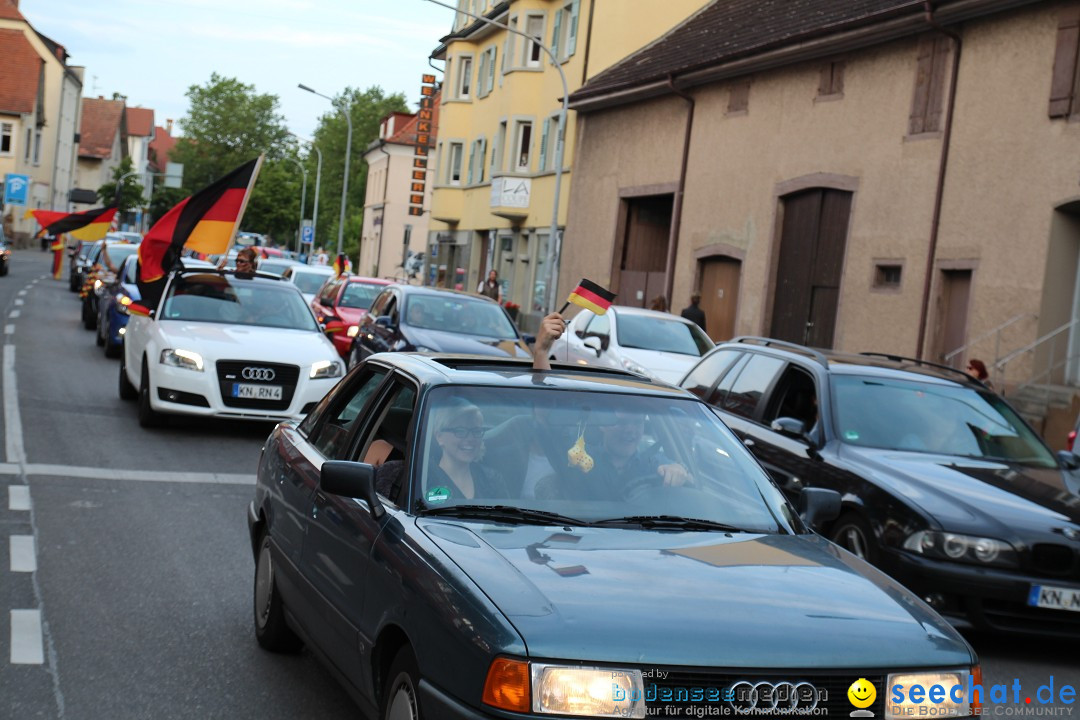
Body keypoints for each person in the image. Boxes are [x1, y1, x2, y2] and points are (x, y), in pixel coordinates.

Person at [425, 397, 508, 502]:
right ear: (439, 436)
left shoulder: (492, 480)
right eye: (460, 431)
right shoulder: (424, 478)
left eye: (476, 431)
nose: (470, 439)